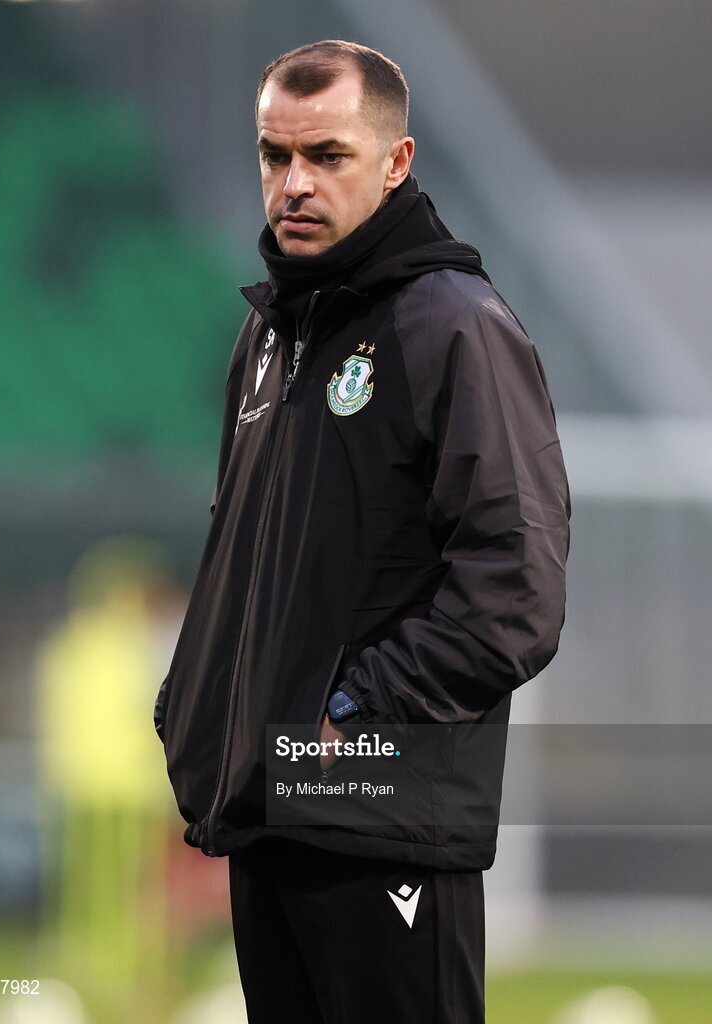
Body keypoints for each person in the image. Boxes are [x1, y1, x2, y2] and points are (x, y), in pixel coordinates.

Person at [155, 40, 570, 1023]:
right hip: (270, 810)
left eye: (327, 155)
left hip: (380, 817)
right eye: (273, 155)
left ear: (396, 162)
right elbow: (243, 559)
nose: (293, 183)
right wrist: (199, 707)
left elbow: (516, 590)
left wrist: (350, 708)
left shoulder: (457, 328)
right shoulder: (269, 336)